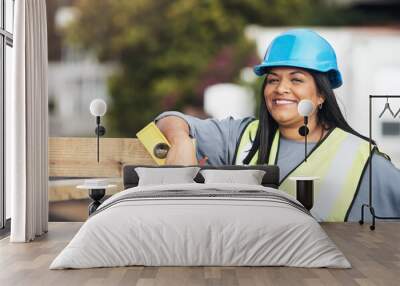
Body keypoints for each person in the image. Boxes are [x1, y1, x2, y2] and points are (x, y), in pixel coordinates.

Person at [154, 29, 400, 222]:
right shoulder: (241, 137)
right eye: (273, 80)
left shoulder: (364, 160)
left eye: (296, 79)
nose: (281, 88)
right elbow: (168, 119)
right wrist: (179, 140)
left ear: (321, 94)